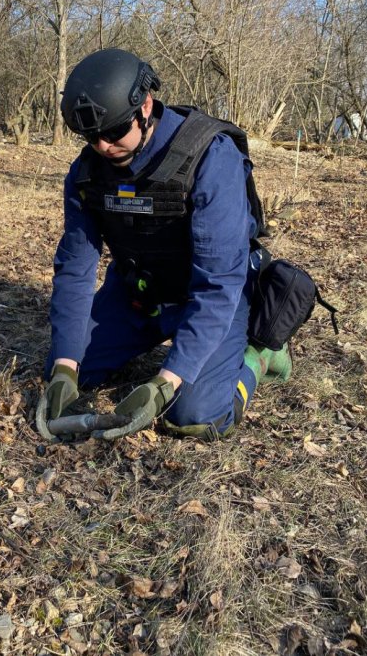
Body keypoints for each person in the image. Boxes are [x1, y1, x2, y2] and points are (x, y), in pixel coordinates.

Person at [36, 48, 292, 442]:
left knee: (192, 416)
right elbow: (75, 268)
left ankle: (257, 356)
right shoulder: (87, 173)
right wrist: (66, 368)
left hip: (208, 300)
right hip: (139, 294)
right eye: (90, 136)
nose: (103, 146)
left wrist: (165, 382)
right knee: (62, 367)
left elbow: (219, 281)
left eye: (115, 131)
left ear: (146, 106)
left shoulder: (210, 157)